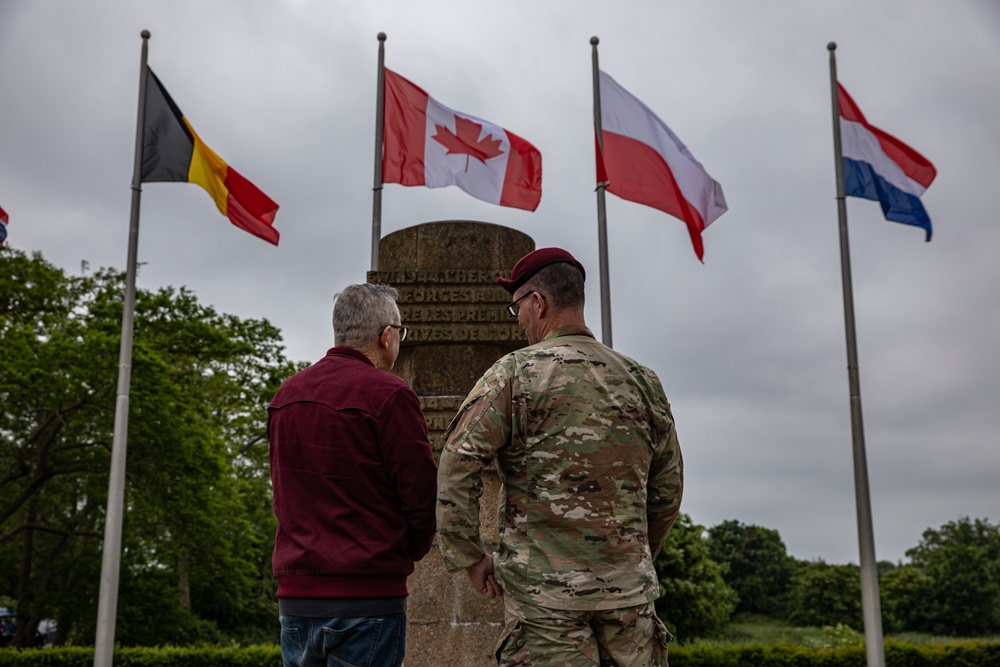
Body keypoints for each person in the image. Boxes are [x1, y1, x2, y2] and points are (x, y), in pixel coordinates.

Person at [436, 248, 683, 666]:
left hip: (543, 605)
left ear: (538, 303)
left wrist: (471, 556)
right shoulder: (643, 381)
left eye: (516, 307)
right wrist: (632, 555)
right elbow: (667, 487)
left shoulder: (515, 373)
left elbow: (457, 462)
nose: (518, 319)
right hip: (628, 601)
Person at [268, 283, 437, 667]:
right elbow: (421, 494)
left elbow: (285, 491)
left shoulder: (286, 396)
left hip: (296, 601)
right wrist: (403, 552)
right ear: (386, 336)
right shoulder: (389, 395)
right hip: (367, 597)